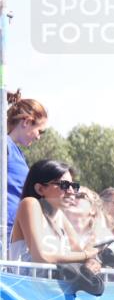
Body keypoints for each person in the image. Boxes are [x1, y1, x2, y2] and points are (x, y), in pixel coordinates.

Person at [9, 160, 98, 265]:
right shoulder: (30, 203)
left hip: (49, 281)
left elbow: (77, 251)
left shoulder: (60, 216)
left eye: (73, 186)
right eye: (64, 185)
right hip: (23, 281)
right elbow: (41, 256)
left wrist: (91, 261)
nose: (71, 191)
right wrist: (86, 255)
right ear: (40, 189)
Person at [5, 90, 48, 237]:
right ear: (27, 122)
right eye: (39, 131)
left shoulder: (17, 153)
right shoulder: (4, 145)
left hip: (14, 231)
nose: (38, 137)